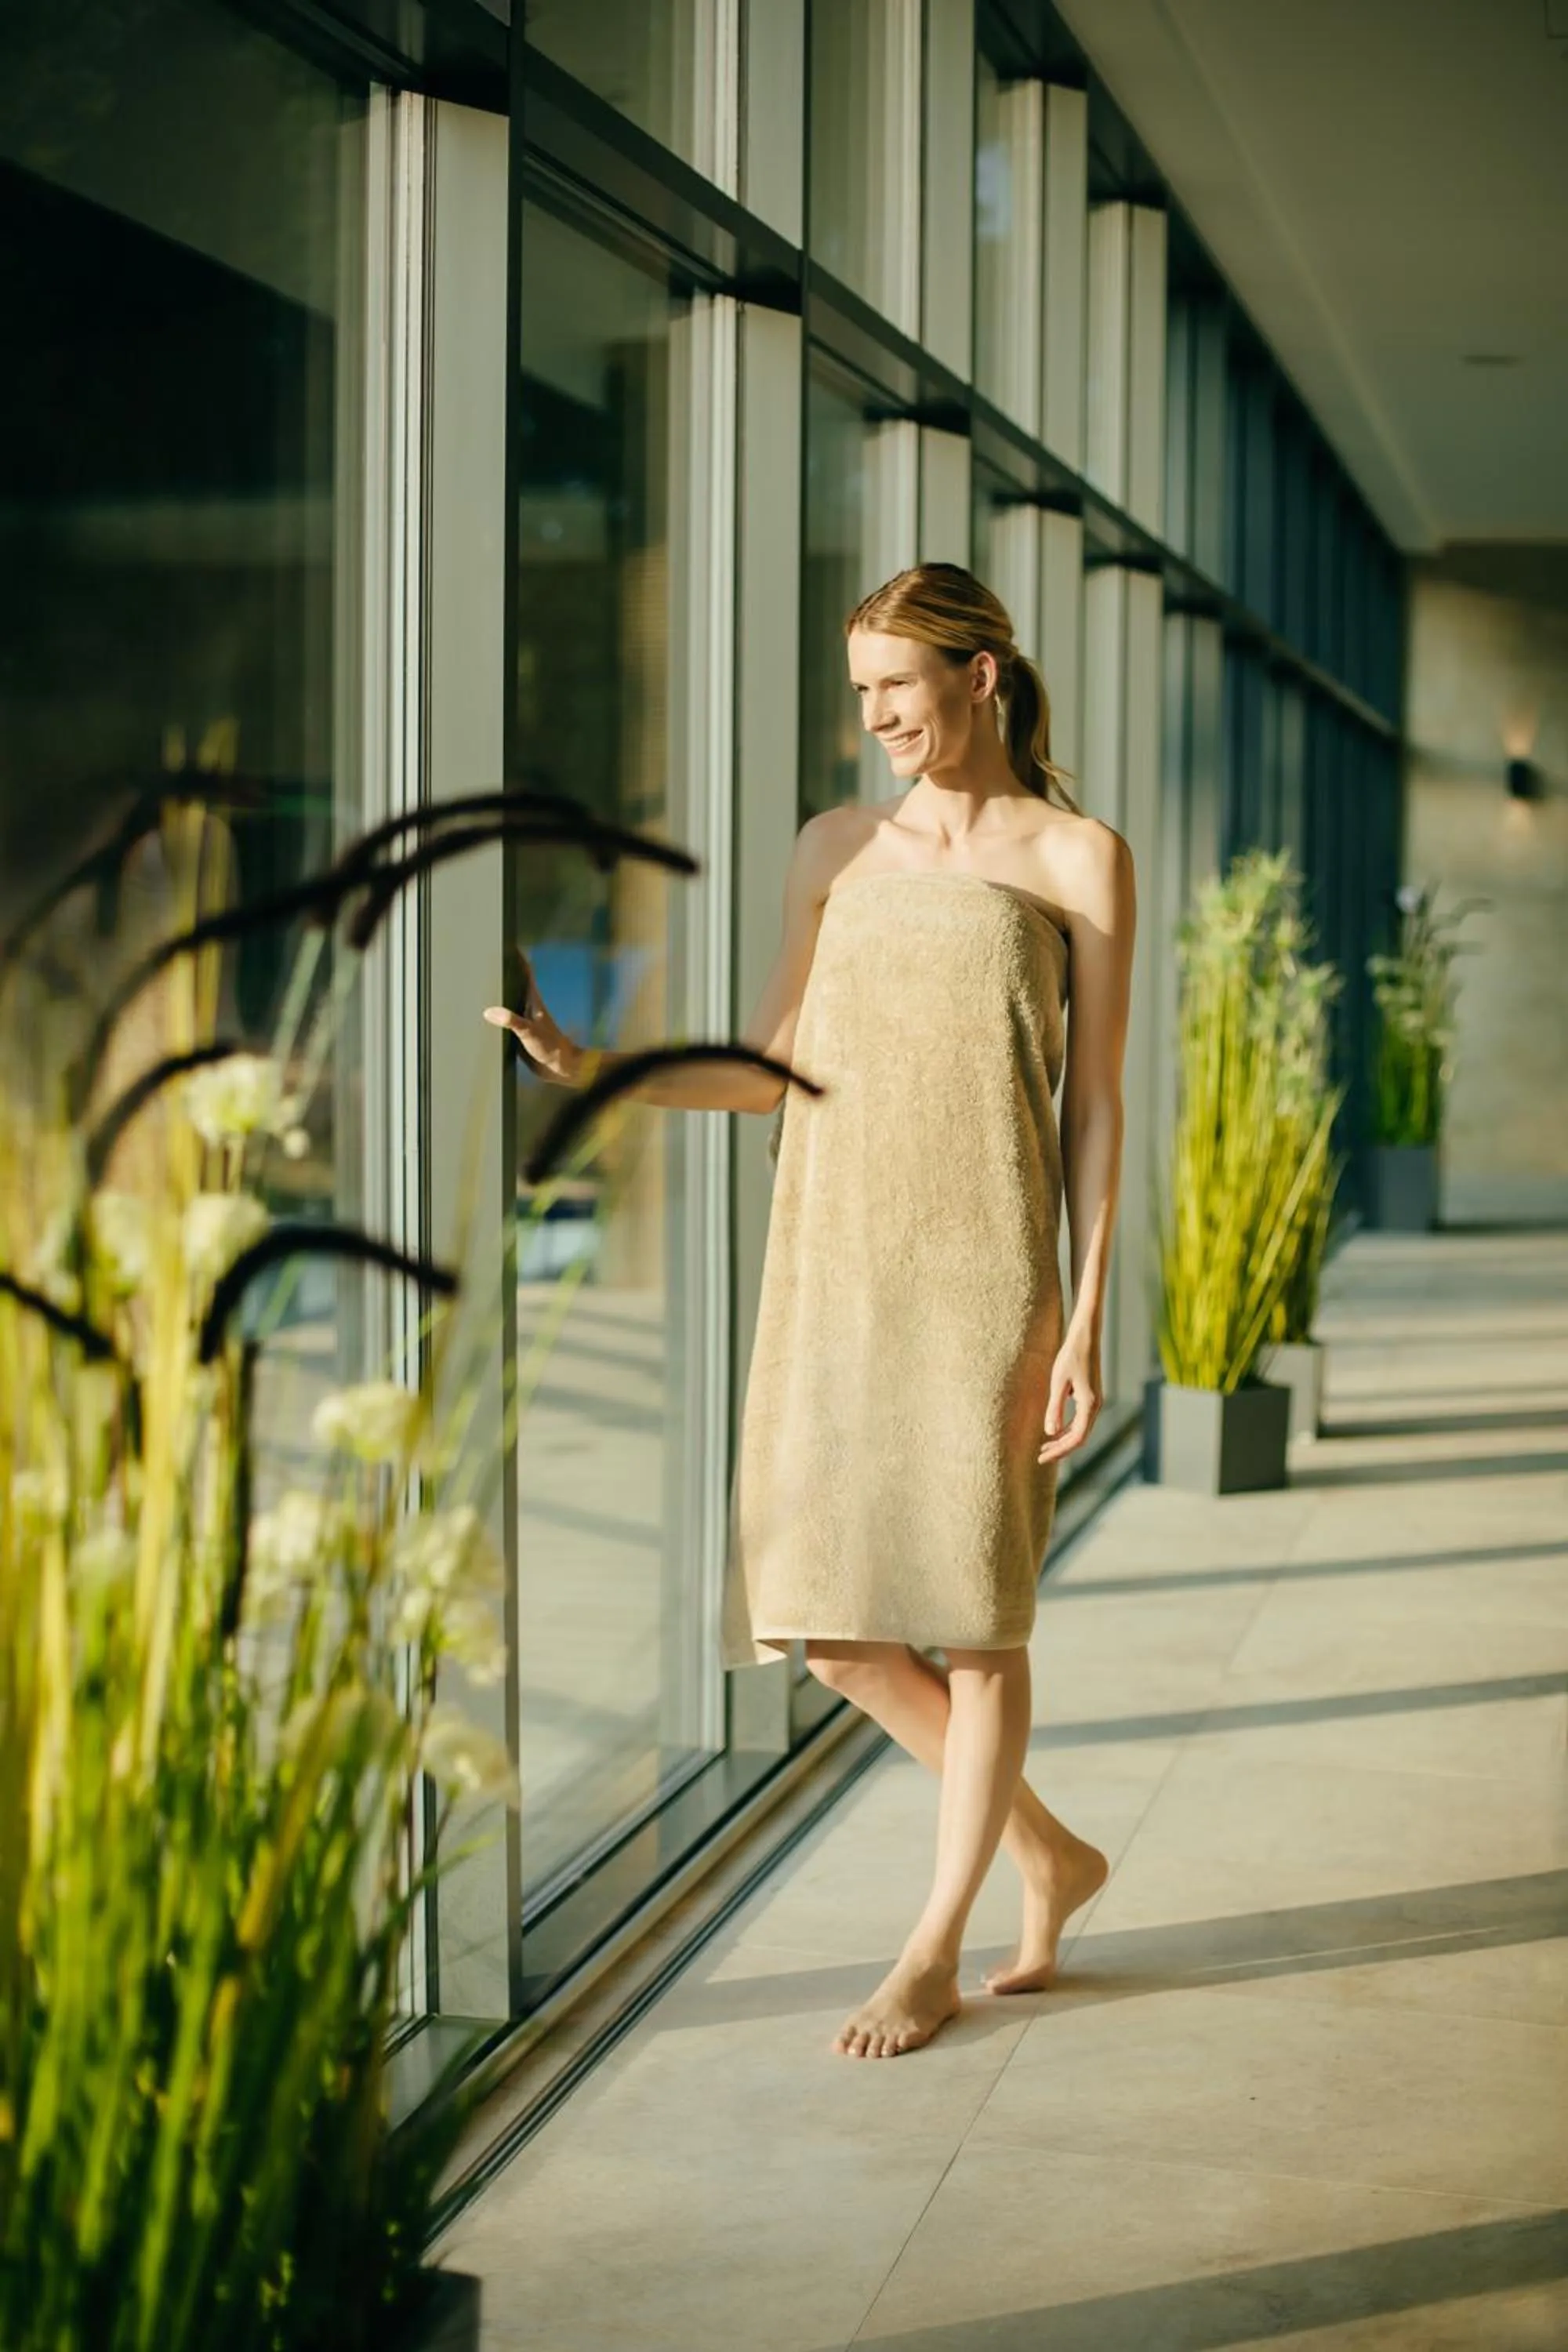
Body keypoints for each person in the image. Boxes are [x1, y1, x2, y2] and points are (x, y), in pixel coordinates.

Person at [484, 562, 1135, 2061]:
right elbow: (767, 1065)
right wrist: (590, 1067)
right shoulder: (837, 847)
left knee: (977, 1623)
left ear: (979, 674)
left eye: (897, 685)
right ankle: (1048, 1854)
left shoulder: (1077, 857)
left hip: (990, 1279)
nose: (877, 717)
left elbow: (1094, 1109)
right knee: (832, 1633)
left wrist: (1088, 1316)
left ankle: (934, 1945)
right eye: (861, 693)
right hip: (833, 1266)